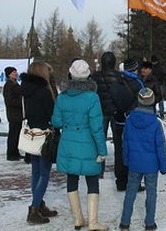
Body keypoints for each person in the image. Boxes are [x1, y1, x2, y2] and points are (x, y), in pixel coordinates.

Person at [52, 60, 109, 231]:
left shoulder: (62, 97)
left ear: (70, 74)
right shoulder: (92, 97)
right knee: (92, 180)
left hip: (68, 142)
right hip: (88, 143)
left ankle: (78, 219)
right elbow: (96, 127)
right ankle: (93, 222)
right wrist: (102, 150)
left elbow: (56, 121)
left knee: (72, 178)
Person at [119, 88, 166, 231]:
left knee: (130, 193)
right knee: (151, 194)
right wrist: (163, 166)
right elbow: (160, 147)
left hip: (134, 163)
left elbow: (125, 143)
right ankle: (149, 223)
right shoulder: (155, 123)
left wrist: (126, 160)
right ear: (152, 101)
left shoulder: (129, 120)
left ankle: (124, 222)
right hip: (151, 166)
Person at [20, 62, 58, 225]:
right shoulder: (44, 92)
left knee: (36, 172)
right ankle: (34, 208)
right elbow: (52, 114)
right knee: (44, 173)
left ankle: (39, 204)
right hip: (44, 135)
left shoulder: (26, 90)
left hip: (32, 135)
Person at [91, 51, 120, 179]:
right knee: (119, 142)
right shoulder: (119, 76)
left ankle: (99, 170)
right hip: (115, 111)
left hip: (101, 111)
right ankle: (119, 169)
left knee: (99, 141)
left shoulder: (95, 76)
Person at [3, 66, 23, 161]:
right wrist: (21, 102)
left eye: (16, 71)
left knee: (16, 133)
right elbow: (9, 101)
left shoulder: (15, 84)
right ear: (9, 74)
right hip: (13, 113)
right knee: (13, 134)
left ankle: (15, 152)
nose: (16, 73)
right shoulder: (9, 85)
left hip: (18, 114)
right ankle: (11, 154)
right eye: (13, 72)